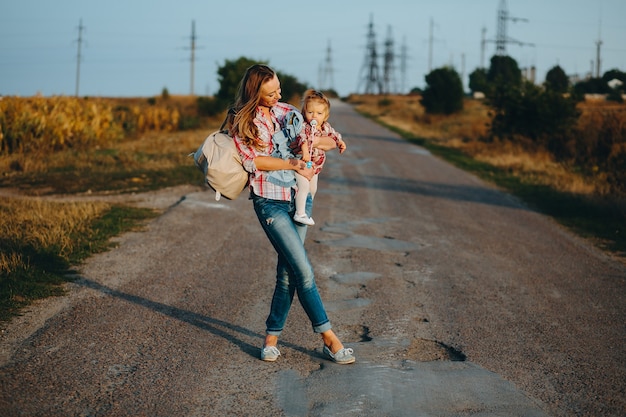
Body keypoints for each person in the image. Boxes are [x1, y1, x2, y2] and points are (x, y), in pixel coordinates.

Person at [228, 64, 355, 365]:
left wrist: (321, 141)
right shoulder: (241, 121)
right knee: (304, 271)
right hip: (269, 201)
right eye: (272, 93)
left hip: (300, 198)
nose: (279, 96)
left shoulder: (287, 112)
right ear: (255, 92)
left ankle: (271, 338)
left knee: (287, 273)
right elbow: (253, 161)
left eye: (279, 90)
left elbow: (313, 137)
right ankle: (329, 339)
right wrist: (292, 164)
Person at [292, 89, 347, 226]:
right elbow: (302, 140)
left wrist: (340, 142)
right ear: (304, 112)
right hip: (302, 163)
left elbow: (334, 135)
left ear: (325, 116)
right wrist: (305, 153)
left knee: (313, 189)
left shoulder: (325, 127)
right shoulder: (304, 126)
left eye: (319, 113)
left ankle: (306, 208)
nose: (314, 116)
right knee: (303, 186)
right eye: (310, 112)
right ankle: (300, 213)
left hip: (315, 166)